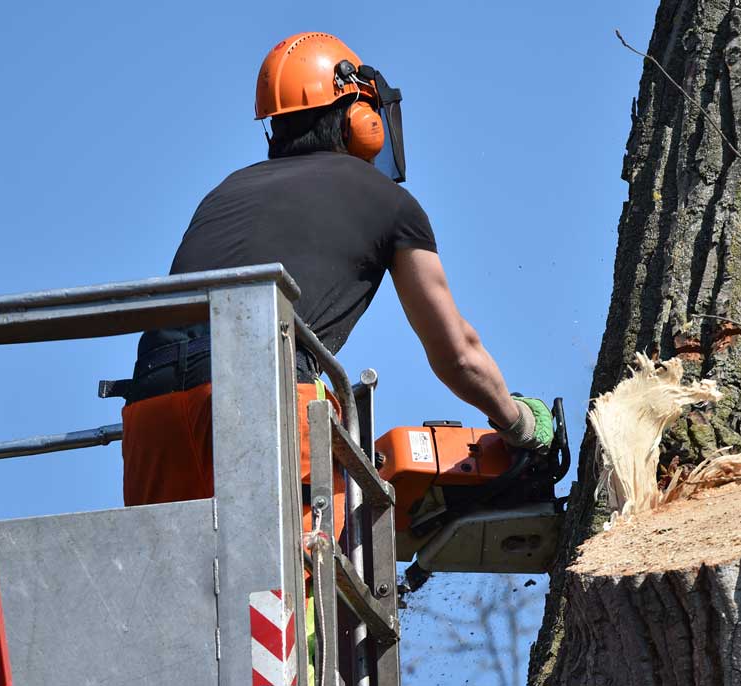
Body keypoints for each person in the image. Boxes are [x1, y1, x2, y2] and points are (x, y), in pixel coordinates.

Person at [119, 31, 553, 539]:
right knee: (303, 590)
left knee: (173, 591)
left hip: (151, 408)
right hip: (263, 393)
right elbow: (458, 353)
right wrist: (520, 423)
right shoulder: (386, 201)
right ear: (362, 121)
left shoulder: (225, 192)